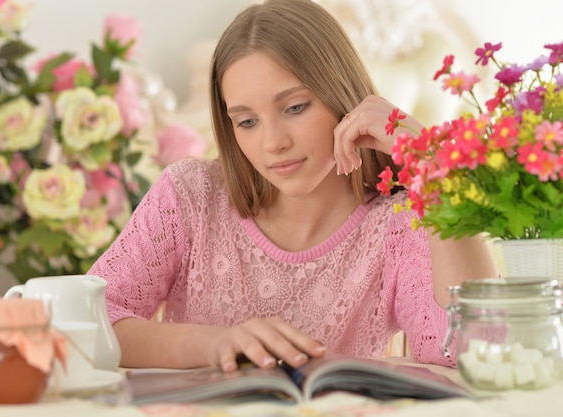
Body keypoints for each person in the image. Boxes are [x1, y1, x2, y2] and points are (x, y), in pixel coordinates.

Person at [88, 0, 498, 373]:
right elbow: (89, 324)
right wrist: (218, 344)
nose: (273, 143)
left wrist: (438, 170)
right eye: (247, 121)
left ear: (342, 95)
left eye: (295, 107)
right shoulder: (189, 195)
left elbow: (474, 350)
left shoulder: (398, 220)